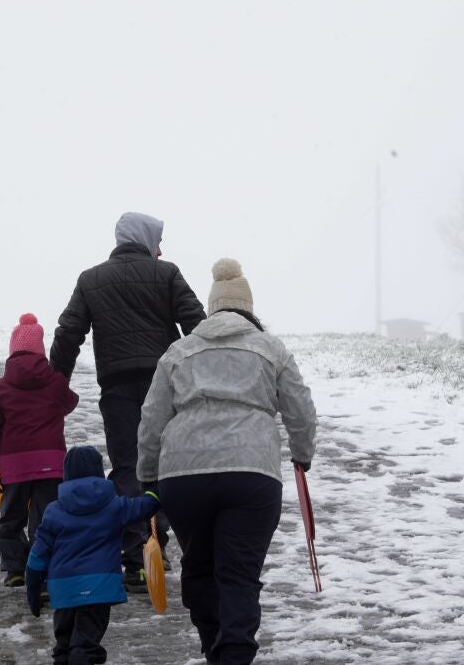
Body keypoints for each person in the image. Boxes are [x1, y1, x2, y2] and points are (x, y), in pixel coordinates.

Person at [136, 258, 317, 665]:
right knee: (238, 573)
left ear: (211, 307)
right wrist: (302, 453)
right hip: (251, 473)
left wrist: (148, 476)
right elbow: (300, 409)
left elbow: (152, 418)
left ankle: (212, 645)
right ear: (249, 308)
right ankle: (234, 651)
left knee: (199, 567)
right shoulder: (270, 349)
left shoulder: (179, 351)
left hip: (184, 475)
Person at [49, 211, 206, 590]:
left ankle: (137, 557)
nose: (160, 250)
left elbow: (68, 333)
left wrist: (56, 386)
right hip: (164, 382)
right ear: (145, 239)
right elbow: (196, 323)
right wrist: (205, 371)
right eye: (158, 241)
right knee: (165, 463)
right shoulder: (166, 273)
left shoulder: (91, 279)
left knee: (127, 467)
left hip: (117, 385)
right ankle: (158, 545)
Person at [24, 446, 161, 665]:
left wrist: (33, 590)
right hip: (98, 590)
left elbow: (37, 557)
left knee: (64, 646)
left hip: (64, 591)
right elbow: (146, 506)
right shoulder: (114, 507)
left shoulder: (54, 511)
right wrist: (156, 489)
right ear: (99, 473)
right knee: (85, 646)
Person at [0, 313, 79, 587]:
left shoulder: (2, 388)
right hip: (51, 465)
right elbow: (70, 403)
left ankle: (15, 568)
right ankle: (42, 573)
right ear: (41, 350)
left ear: (12, 350)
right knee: (45, 520)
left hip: (14, 467)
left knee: (10, 519)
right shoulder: (54, 382)